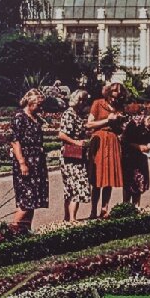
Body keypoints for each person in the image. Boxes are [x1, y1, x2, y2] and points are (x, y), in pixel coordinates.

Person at [9, 89, 49, 232]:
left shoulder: (36, 118)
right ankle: (12, 233)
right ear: (30, 102)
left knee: (33, 201)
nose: (41, 108)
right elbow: (15, 141)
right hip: (26, 162)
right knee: (26, 201)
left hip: (37, 163)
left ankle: (25, 233)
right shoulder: (20, 117)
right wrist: (22, 163)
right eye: (39, 105)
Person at [87, 82, 127, 218]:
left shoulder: (119, 107)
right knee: (98, 178)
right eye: (114, 94)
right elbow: (89, 124)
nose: (116, 98)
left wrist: (121, 123)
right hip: (100, 139)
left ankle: (104, 208)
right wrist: (107, 120)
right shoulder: (98, 103)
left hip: (112, 141)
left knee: (109, 177)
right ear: (108, 93)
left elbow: (120, 128)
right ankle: (93, 210)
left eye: (119, 95)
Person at [57, 90, 92, 221]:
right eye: (81, 100)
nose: (83, 103)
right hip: (71, 155)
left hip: (77, 155)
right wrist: (77, 142)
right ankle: (72, 219)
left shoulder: (76, 114)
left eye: (85, 100)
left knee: (71, 187)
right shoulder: (69, 114)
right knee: (77, 185)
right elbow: (61, 134)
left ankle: (68, 218)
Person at [120, 111, 150, 207]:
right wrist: (138, 146)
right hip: (129, 156)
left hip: (141, 156)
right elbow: (124, 140)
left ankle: (136, 206)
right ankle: (126, 206)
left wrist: (149, 145)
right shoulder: (136, 124)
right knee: (129, 182)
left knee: (140, 181)